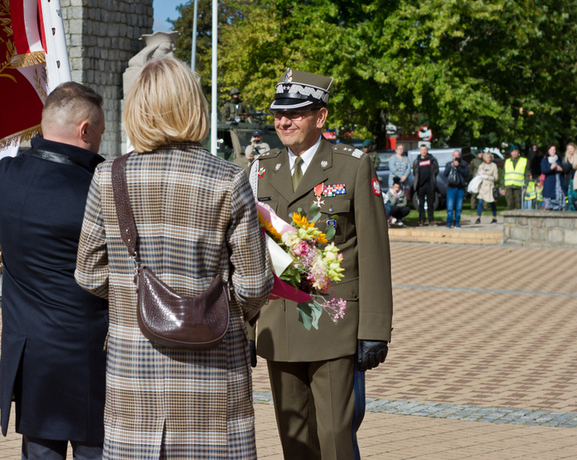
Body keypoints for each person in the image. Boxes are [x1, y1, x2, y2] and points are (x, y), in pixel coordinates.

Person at [75, 58, 273, 459]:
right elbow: (254, 285)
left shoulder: (108, 176)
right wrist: (219, 305)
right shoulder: (228, 178)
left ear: (137, 110)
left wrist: (134, 299)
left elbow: (87, 274)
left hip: (134, 373)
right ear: (193, 106)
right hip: (213, 373)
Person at [249, 68, 393, 459]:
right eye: (279, 113)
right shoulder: (260, 170)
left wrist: (375, 328)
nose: (284, 121)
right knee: (293, 438)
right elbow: (247, 253)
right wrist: (246, 328)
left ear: (321, 117)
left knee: (334, 438)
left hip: (334, 322)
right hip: (278, 324)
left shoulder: (353, 166)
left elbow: (375, 252)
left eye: (295, 113)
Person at [0, 82, 108, 460]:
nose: (101, 143)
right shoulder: (99, 188)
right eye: (100, 133)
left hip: (30, 352)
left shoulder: (4, 177)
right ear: (85, 129)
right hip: (89, 354)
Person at [412, 144, 439, 226]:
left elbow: (436, 170)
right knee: (421, 204)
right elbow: (415, 172)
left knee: (431, 204)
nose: (423, 151)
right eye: (422, 150)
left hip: (430, 185)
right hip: (420, 186)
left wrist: (433, 180)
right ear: (420, 151)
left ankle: (431, 220)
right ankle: (421, 220)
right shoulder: (417, 161)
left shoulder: (432, 159)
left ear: (427, 150)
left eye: (425, 150)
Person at [443, 149, 469, 229]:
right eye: (455, 155)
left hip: (460, 188)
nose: (456, 157)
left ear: (460, 156)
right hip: (451, 188)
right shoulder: (448, 164)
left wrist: (458, 167)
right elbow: (445, 174)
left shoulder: (463, 164)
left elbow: (466, 174)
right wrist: (451, 166)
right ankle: (449, 223)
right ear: (452, 156)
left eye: (458, 155)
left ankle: (457, 223)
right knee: (450, 207)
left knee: (459, 208)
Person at [501, 145, 528, 211]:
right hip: (508, 186)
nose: (515, 153)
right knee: (510, 204)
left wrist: (525, 186)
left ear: (518, 152)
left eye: (516, 151)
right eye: (513, 151)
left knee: (519, 204)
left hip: (519, 186)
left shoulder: (524, 161)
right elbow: (503, 175)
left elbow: (527, 174)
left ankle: (519, 220)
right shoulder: (507, 161)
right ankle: (510, 220)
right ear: (510, 153)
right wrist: (502, 188)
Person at [475, 152, 499, 224]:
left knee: (492, 202)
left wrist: (488, 177)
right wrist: (480, 174)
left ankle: (494, 217)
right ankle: (478, 217)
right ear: (484, 158)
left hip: (490, 186)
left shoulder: (493, 166)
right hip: (482, 187)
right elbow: (477, 175)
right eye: (487, 157)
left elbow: (496, 178)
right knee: (480, 202)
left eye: (489, 157)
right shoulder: (481, 166)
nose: (488, 159)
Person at [541, 145, 566, 211]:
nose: (553, 151)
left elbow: (564, 169)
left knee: (559, 203)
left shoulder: (559, 159)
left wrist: (560, 169)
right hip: (549, 184)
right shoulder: (545, 160)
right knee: (549, 205)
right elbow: (543, 170)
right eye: (551, 149)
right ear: (548, 151)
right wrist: (551, 168)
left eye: (554, 149)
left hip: (559, 184)